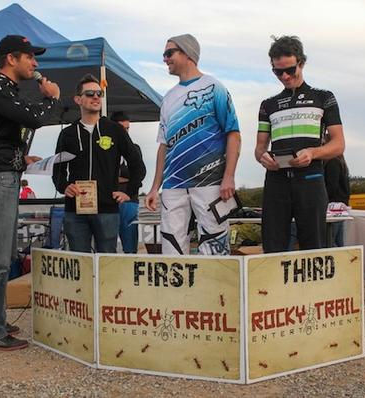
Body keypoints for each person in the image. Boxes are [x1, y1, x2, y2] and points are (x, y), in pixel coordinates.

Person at [0, 35, 61, 350]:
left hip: (1, 176)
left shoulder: (4, 90)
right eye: (30, 57)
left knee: (3, 258)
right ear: (11, 58)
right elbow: (33, 117)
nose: (35, 63)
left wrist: (23, 158)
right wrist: (50, 98)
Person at [145, 34, 241, 255]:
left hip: (210, 182)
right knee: (172, 249)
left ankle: (217, 290)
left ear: (187, 54)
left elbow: (233, 133)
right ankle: (177, 291)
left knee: (216, 248)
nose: (164, 59)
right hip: (174, 186)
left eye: (169, 53)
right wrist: (154, 187)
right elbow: (163, 145)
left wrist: (229, 176)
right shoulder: (168, 98)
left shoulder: (215, 87)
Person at [255, 35, 345, 253]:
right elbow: (259, 148)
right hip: (277, 180)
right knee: (273, 245)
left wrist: (313, 153)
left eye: (290, 70)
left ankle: (314, 288)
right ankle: (273, 288)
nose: (284, 76)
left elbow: (339, 144)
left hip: (310, 178)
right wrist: (263, 157)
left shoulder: (324, 98)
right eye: (278, 72)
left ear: (301, 63)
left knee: (314, 246)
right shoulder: (268, 105)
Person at [52, 74, 145, 253]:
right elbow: (58, 170)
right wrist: (64, 187)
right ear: (78, 99)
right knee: (81, 262)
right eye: (89, 94)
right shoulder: (68, 134)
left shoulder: (115, 130)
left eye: (99, 93)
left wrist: (130, 191)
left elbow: (137, 164)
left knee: (106, 262)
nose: (96, 97)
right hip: (75, 209)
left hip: (107, 209)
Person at [110, 111, 144, 253]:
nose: (125, 132)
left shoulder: (134, 148)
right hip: (109, 200)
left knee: (130, 246)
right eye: (121, 128)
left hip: (130, 200)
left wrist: (121, 177)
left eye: (127, 128)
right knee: (107, 246)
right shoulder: (106, 149)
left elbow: (137, 174)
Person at [324, 132, 350, 247]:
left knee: (330, 242)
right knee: (339, 243)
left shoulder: (332, 162)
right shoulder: (340, 162)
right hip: (340, 208)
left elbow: (330, 187)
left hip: (332, 209)